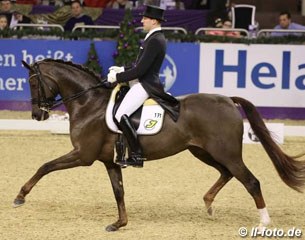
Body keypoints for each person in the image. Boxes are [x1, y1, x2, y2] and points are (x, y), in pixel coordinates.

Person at [107, 5, 180, 168]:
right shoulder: (153, 37)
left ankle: (136, 154)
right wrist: (122, 69)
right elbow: (138, 64)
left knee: (120, 114)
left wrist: (117, 77)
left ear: (154, 21)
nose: (142, 21)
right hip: (141, 82)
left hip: (145, 85)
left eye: (145, 18)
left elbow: (140, 70)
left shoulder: (155, 40)